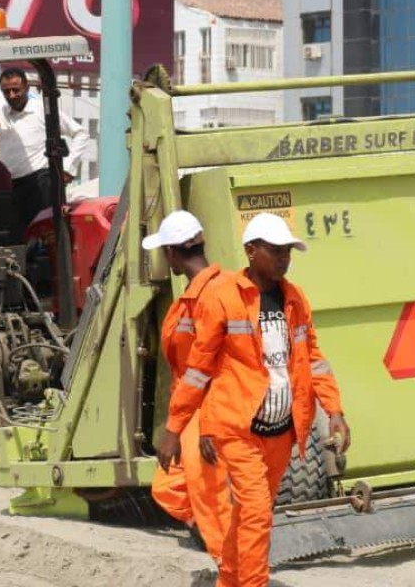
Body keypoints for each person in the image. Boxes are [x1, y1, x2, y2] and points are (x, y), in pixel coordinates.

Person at [157, 212, 351, 587]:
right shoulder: (224, 299)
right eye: (275, 251)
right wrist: (175, 427)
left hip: (280, 430)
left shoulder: (294, 299)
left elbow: (313, 358)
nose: (284, 259)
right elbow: (198, 370)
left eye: (288, 252)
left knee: (248, 515)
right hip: (237, 428)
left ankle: (229, 582)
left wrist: (335, 410)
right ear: (251, 250)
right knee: (258, 513)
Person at [142, 210, 230, 567]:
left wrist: (181, 429)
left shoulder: (211, 298)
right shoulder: (204, 293)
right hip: (195, 413)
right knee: (170, 487)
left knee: (214, 505)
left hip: (209, 415)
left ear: (174, 255)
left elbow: (205, 371)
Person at [0, 64, 88, 226]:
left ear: (26, 87)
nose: (11, 95)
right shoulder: (1, 113)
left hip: (40, 183)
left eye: (16, 90)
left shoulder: (42, 110)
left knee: (44, 230)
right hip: (12, 186)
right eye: (6, 91)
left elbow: (80, 133)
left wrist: (68, 168)